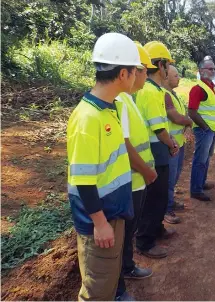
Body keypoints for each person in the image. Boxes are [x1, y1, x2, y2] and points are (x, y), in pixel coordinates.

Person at [67, 33, 141, 300]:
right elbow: (83, 180)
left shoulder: (109, 109)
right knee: (96, 290)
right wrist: (100, 223)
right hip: (99, 220)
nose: (136, 76)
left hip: (113, 213)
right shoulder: (88, 118)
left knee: (108, 282)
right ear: (123, 74)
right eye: (135, 71)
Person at [114, 42, 157, 301]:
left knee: (128, 233)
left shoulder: (129, 99)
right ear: (132, 71)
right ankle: (118, 289)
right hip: (131, 181)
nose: (145, 75)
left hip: (137, 180)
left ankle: (128, 268)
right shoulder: (121, 101)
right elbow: (127, 147)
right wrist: (148, 172)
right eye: (143, 70)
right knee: (122, 236)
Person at [135, 41, 179, 259]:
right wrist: (171, 143)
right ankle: (145, 240)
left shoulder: (154, 90)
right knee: (154, 198)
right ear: (160, 65)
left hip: (158, 148)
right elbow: (159, 128)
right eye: (167, 65)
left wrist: (169, 141)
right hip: (155, 149)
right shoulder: (152, 93)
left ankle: (156, 228)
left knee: (159, 197)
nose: (168, 69)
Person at [162, 65, 193, 224]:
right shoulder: (164, 94)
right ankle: (166, 210)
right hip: (170, 145)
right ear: (165, 77)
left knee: (174, 177)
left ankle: (170, 202)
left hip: (178, 144)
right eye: (175, 75)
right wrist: (189, 122)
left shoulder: (174, 95)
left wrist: (188, 124)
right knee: (168, 179)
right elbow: (176, 118)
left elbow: (184, 116)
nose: (179, 77)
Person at [188, 59, 215, 201]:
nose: (213, 71)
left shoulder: (211, 86)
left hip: (212, 129)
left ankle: (201, 183)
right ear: (201, 71)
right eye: (210, 69)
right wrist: (205, 127)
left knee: (206, 158)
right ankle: (196, 189)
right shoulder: (198, 88)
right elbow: (191, 111)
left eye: (214, 69)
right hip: (204, 130)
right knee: (200, 160)